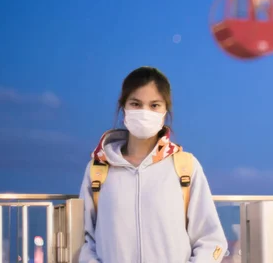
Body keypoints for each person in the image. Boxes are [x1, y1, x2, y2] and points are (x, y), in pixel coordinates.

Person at [78, 66, 228, 263]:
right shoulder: (99, 170)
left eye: (154, 105)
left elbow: (211, 239)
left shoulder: (185, 167)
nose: (144, 112)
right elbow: (84, 240)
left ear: (166, 110)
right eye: (136, 104)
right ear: (124, 108)